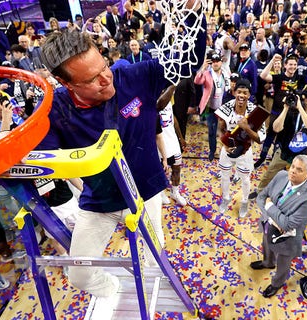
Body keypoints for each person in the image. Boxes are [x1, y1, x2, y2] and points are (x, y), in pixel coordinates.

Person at [36, 8, 204, 311]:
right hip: (100, 200)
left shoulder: (132, 76)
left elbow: (189, 56)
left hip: (146, 192)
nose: (105, 78)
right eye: (92, 78)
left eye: (104, 66)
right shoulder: (53, 109)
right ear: (66, 83)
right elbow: (45, 160)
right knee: (80, 275)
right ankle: (112, 289)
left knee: (155, 257)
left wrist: (193, 12)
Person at [252, 155, 307, 298]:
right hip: (268, 225)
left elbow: (288, 224)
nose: (293, 171)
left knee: (283, 263)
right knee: (266, 245)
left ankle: (277, 283)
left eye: (299, 169)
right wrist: (272, 217)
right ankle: (267, 263)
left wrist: (269, 206)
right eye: (293, 166)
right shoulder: (281, 175)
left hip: (286, 239)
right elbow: (261, 196)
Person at [249, 90, 307, 199]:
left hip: (300, 155)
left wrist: (301, 108)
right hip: (284, 150)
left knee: (294, 178)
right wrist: (285, 108)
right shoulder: (292, 113)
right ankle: (260, 192)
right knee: (269, 173)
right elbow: (276, 128)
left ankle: (284, 198)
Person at [215, 78, 265, 218]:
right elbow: (220, 130)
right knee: (224, 176)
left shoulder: (256, 112)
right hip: (228, 149)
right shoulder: (226, 107)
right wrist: (224, 145)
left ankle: (244, 202)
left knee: (245, 178)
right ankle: (226, 198)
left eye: (245, 93)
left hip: (245, 151)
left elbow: (259, 139)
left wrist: (246, 128)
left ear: (249, 95)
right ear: (234, 92)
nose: (241, 95)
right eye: (239, 92)